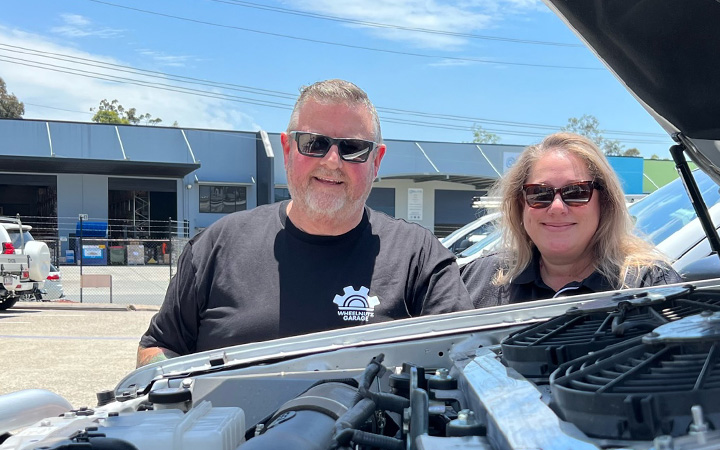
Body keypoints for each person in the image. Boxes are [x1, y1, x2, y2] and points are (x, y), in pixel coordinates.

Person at [137, 79, 472, 367]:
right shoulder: (216, 247)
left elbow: (465, 356)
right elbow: (159, 347)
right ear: (287, 149)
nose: (331, 161)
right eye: (314, 143)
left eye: (353, 148)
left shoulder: (419, 256)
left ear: (377, 161)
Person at [461, 132, 682, 308]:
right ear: (521, 204)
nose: (557, 207)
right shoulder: (477, 280)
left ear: (604, 202)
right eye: (539, 193)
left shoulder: (651, 286)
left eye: (576, 192)